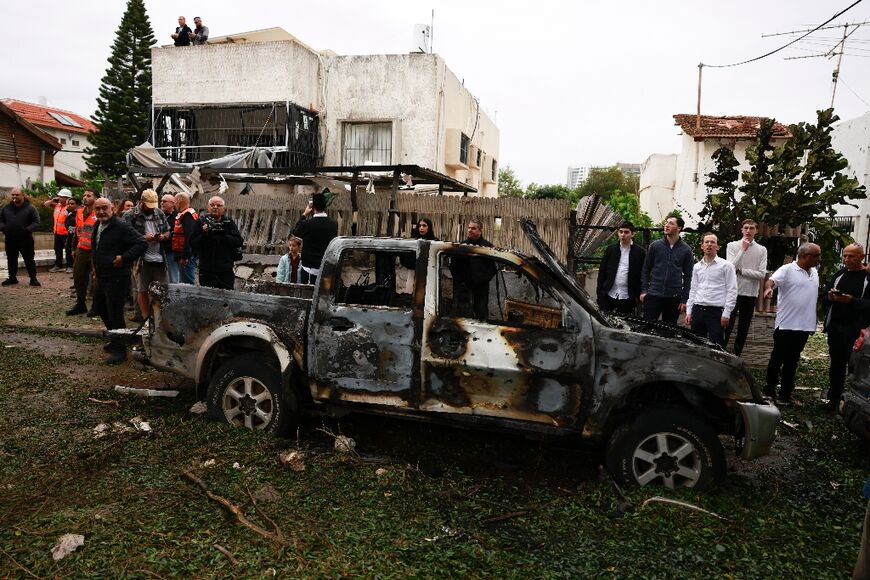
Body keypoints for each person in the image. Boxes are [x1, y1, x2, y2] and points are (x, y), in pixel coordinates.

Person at [763, 242, 822, 406]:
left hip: (804, 326)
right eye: (816, 255)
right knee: (777, 359)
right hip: (786, 324)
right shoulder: (787, 269)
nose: (819, 258)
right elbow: (771, 281)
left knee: (793, 361)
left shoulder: (814, 272)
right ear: (804, 256)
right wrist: (769, 289)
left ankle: (786, 394)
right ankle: (769, 392)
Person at [91, 198, 147, 364]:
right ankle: (116, 338)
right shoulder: (98, 224)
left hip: (117, 277)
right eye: (98, 208)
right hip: (101, 275)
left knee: (115, 313)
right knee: (100, 308)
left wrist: (124, 258)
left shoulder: (121, 226)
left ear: (113, 208)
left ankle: (120, 351)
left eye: (104, 208)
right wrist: (94, 268)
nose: (101, 211)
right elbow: (96, 248)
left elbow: (141, 243)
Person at [821, 243, 870, 410]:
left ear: (862, 257)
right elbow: (824, 297)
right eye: (845, 256)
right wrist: (831, 297)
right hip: (836, 326)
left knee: (857, 368)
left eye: (851, 256)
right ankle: (834, 399)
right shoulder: (840, 274)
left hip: (857, 329)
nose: (847, 259)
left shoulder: (867, 277)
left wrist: (852, 301)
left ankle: (855, 403)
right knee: (836, 364)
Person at [123, 190, 170, 319]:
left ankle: (160, 317)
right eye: (149, 206)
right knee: (142, 289)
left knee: (163, 290)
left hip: (159, 258)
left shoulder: (159, 212)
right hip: (141, 259)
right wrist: (144, 238)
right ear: (142, 202)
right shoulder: (130, 215)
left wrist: (163, 236)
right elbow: (125, 237)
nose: (152, 208)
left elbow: (168, 231)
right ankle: (146, 318)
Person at [724, 219, 768, 356]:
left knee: (744, 328)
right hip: (733, 292)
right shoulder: (732, 246)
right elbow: (731, 268)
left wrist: (742, 271)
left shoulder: (761, 249)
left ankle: (737, 355)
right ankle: (721, 353)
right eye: (746, 228)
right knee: (727, 325)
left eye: (752, 228)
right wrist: (742, 250)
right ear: (742, 230)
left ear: (756, 231)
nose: (748, 231)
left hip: (750, 293)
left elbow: (761, 274)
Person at [640, 215, 694, 325]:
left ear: (679, 228)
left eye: (671, 223)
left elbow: (689, 276)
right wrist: (644, 290)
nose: (666, 225)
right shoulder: (655, 246)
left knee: (669, 329)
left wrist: (685, 300)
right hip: (654, 294)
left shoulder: (686, 250)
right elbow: (645, 269)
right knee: (647, 327)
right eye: (666, 222)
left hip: (673, 297)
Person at [685, 233, 737, 346]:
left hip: (716, 312)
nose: (709, 244)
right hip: (698, 310)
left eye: (712, 242)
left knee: (716, 346)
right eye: (706, 242)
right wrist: (689, 311)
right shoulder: (697, 267)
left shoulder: (726, 266)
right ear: (702, 246)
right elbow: (693, 289)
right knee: (696, 346)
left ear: (717, 247)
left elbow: (732, 290)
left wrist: (727, 313)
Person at [190, 196, 243, 290]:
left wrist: (224, 235)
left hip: (225, 269)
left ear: (223, 208)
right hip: (206, 269)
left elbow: (239, 241)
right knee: (207, 295)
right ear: (208, 207)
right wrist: (204, 234)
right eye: (212, 205)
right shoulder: (201, 222)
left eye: (219, 205)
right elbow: (193, 243)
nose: (215, 207)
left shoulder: (228, 222)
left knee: (227, 295)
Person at [449, 219, 497, 320]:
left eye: (473, 228)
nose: (470, 230)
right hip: (463, 288)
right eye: (469, 228)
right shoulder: (462, 246)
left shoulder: (487, 247)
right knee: (462, 316)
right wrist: (460, 280)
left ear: (480, 231)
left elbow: (492, 269)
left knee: (480, 315)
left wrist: (482, 281)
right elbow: (453, 266)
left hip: (480, 289)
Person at [596, 221, 646, 316]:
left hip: (628, 297)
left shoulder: (640, 252)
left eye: (626, 232)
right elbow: (602, 272)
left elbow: (643, 274)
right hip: (609, 294)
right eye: (621, 232)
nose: (623, 235)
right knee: (605, 320)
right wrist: (600, 293)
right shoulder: (611, 249)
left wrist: (638, 295)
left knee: (624, 323)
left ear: (632, 234)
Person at [292, 192, 338, 285]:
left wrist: (304, 214)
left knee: (307, 293)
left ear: (312, 207)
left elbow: (295, 232)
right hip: (326, 268)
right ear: (325, 206)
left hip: (309, 270)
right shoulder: (334, 224)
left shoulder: (306, 224)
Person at [0, 187, 41, 287]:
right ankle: (12, 278)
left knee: (29, 259)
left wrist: (26, 230)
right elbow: (1, 220)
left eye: (17, 195)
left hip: (25, 239)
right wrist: (4, 228)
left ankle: (33, 279)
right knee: (11, 259)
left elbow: (36, 222)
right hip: (10, 238)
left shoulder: (30, 208)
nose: (14, 196)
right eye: (13, 195)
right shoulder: (6, 208)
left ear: (23, 195)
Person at [67, 190, 98, 315]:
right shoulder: (79, 212)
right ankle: (80, 304)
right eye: (84, 195)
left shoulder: (99, 212)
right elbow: (77, 232)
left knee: (96, 279)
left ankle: (96, 306)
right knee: (78, 276)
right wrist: (73, 248)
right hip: (81, 250)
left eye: (89, 195)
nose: (85, 197)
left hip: (96, 251)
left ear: (96, 198)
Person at [171, 192, 198, 284]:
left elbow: (189, 236)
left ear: (179, 201)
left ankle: (190, 294)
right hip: (185, 254)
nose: (174, 204)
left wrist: (185, 256)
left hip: (186, 255)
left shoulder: (187, 215)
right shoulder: (185, 214)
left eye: (175, 201)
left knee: (187, 283)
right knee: (184, 281)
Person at [44, 188, 73, 272]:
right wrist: (53, 200)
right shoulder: (57, 205)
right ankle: (58, 265)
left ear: (67, 198)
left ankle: (70, 266)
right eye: (59, 196)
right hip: (57, 232)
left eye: (61, 196)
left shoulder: (70, 207)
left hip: (66, 233)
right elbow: (46, 204)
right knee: (57, 250)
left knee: (68, 251)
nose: (59, 198)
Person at [160, 194, 178, 283]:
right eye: (161, 201)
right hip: (159, 250)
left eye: (165, 201)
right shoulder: (158, 215)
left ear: (173, 203)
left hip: (171, 250)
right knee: (160, 276)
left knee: (173, 276)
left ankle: (175, 291)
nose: (162, 203)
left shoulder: (177, 217)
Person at [63, 196, 79, 273]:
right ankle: (69, 266)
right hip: (69, 236)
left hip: (76, 237)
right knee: (68, 250)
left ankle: (74, 268)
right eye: (68, 204)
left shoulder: (79, 214)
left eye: (72, 204)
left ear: (77, 205)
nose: (69, 205)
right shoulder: (70, 214)